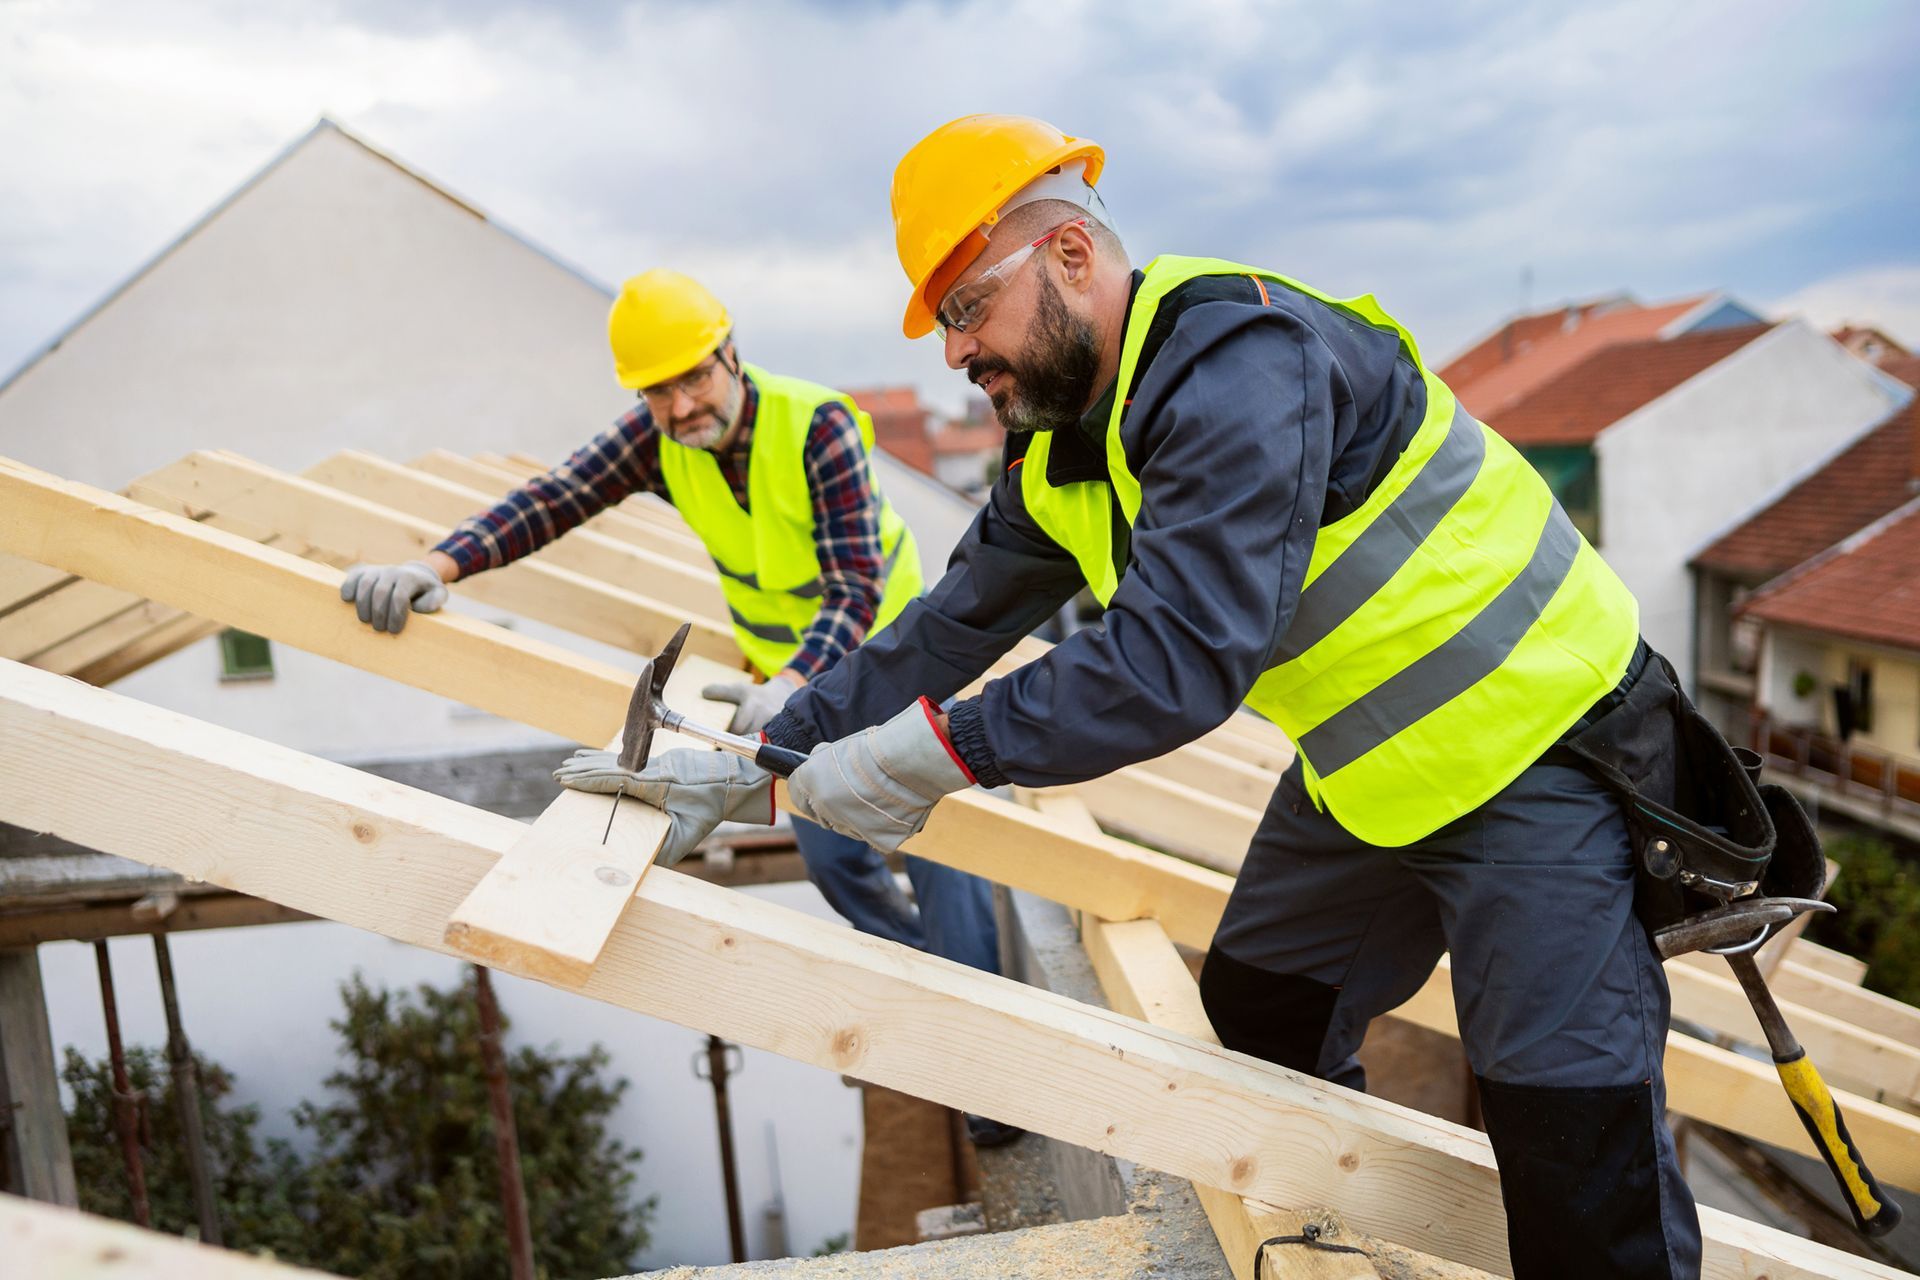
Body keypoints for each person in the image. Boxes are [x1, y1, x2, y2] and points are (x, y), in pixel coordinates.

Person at [553, 116, 1704, 1275]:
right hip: (1377, 772)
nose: (953, 353)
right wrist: (761, 759)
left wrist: (933, 754)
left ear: (1068, 258)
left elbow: (1177, 656)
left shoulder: (1240, 358)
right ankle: (1335, 1243)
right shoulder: (1060, 444)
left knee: (1575, 1165)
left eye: (964, 308)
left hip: (1542, 754)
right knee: (1262, 1014)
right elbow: (946, 625)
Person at [337, 269, 1002, 984]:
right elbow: (553, 501)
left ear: (730, 354)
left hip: (893, 659)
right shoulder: (659, 440)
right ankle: (916, 974)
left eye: (693, 380)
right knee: (835, 857)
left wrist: (792, 683)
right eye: (658, 391)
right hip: (785, 676)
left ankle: (984, 1022)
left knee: (940, 841)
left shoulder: (817, 425)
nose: (680, 406)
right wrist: (435, 568)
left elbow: (855, 587)